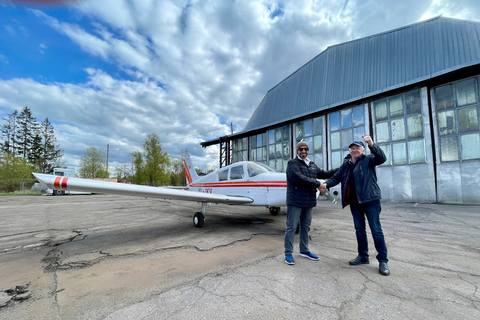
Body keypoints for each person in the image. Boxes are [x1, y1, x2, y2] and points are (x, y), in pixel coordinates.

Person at [320, 135, 390, 276]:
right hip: (355, 203)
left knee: (376, 230)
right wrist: (325, 184)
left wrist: (371, 144)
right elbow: (336, 178)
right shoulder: (346, 165)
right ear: (349, 151)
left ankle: (383, 260)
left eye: (357, 148)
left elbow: (382, 158)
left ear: (363, 150)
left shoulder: (369, 160)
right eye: (352, 148)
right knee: (359, 230)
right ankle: (363, 256)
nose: (354, 150)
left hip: (370, 200)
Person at [284, 140, 338, 265]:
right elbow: (299, 178)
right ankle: (288, 252)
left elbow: (325, 173)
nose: (303, 151)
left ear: (308, 151)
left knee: (306, 227)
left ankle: (304, 250)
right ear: (297, 151)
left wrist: (340, 168)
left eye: (305, 149)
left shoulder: (312, 165)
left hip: (309, 201)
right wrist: (318, 183)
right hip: (295, 201)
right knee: (291, 227)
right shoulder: (292, 163)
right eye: (301, 149)